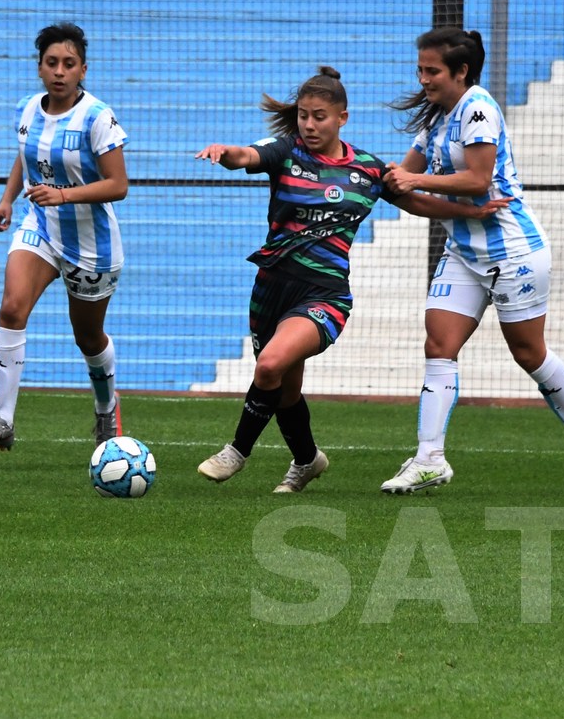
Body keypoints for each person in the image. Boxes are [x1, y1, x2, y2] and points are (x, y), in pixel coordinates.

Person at [194, 66, 510, 493]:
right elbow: (247, 155)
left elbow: (415, 202)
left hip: (325, 295)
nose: (308, 124)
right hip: (271, 288)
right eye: (304, 115)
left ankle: (237, 452)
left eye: (319, 116)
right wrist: (226, 153)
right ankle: (307, 460)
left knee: (269, 365)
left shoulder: (366, 170)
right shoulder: (285, 152)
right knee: (283, 389)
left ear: (342, 117)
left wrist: (471, 212)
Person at [379, 27, 564, 495]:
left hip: (513, 252)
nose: (423, 78)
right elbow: (403, 184)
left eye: (432, 70)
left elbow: (478, 179)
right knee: (438, 345)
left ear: (461, 72)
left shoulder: (478, 107)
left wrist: (410, 181)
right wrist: (397, 183)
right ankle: (429, 459)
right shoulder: (437, 119)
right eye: (420, 69)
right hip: (463, 253)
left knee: (528, 353)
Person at [0, 22, 129, 453]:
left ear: (83, 70)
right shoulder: (26, 109)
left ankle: (105, 408)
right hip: (39, 226)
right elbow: (27, 156)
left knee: (88, 338)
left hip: (92, 245)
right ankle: (2, 420)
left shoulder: (97, 117)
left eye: (69, 64)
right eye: (52, 63)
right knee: (11, 308)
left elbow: (118, 185)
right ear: (39, 68)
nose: (59, 71)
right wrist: (6, 200)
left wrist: (64, 194)